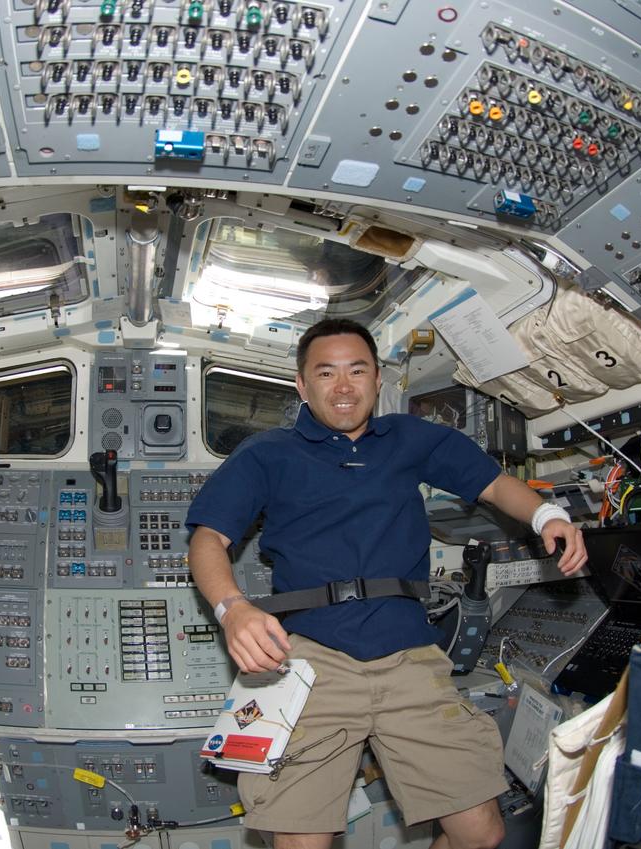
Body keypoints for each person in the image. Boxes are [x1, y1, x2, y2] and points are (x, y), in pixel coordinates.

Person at [186, 318, 587, 849]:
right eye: (326, 373)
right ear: (302, 387)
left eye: (357, 370)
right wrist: (232, 608)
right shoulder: (268, 454)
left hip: (409, 656)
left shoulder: (411, 440)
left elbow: (493, 484)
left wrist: (545, 518)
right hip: (309, 662)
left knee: (482, 836)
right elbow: (207, 538)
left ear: (377, 380)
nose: (344, 386)